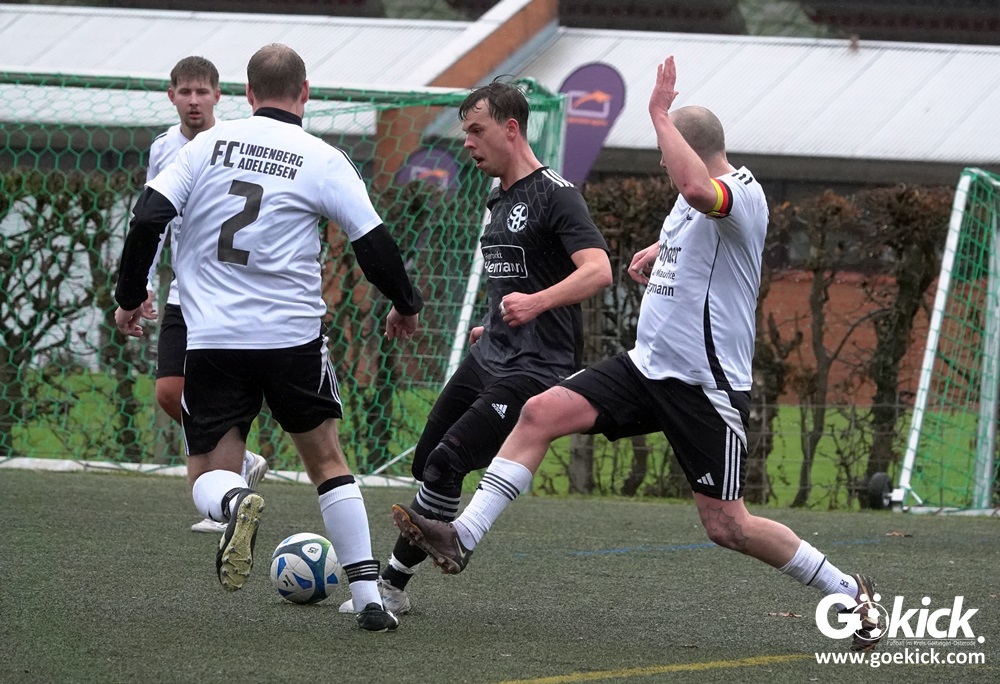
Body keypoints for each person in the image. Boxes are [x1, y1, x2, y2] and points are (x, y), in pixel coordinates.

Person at [390, 56, 885, 652]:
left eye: (666, 151)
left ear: (687, 148)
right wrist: (659, 251)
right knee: (539, 412)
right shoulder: (690, 206)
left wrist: (657, 113)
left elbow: (698, 190)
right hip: (646, 366)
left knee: (728, 526)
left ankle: (849, 592)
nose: (662, 163)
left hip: (703, 386)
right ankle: (463, 535)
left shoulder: (742, 194)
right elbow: (695, 220)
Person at [114, 43, 422, 632]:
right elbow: (373, 242)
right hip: (292, 339)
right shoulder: (322, 157)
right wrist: (405, 304)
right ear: (305, 93)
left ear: (248, 93)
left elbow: (149, 216)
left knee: (209, 473)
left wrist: (130, 296)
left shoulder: (205, 145)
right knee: (327, 460)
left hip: (215, 339)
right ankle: (368, 598)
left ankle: (234, 503)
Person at [341, 80, 612, 616]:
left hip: (538, 367)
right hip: (493, 354)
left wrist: (534, 305)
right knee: (427, 462)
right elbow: (515, 276)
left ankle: (391, 586)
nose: (466, 142)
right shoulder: (498, 198)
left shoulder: (556, 194)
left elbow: (598, 270)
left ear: (510, 129)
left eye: (475, 130)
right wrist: (494, 325)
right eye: (465, 131)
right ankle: (414, 559)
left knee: (446, 463)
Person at [143, 55, 269, 535]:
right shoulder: (163, 148)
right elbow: (153, 222)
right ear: (171, 96)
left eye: (202, 92)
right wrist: (144, 283)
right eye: (185, 92)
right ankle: (242, 465)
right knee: (169, 391)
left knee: (223, 396)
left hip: (228, 295)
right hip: (183, 291)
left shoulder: (232, 145)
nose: (194, 101)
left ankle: (225, 496)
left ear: (219, 95)